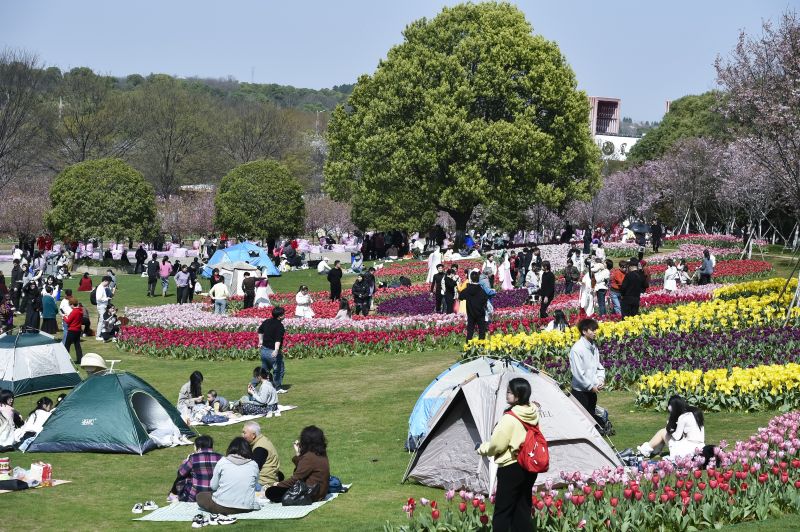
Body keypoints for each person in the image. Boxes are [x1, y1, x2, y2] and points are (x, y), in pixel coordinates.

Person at [477, 378, 540, 531]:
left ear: (518, 395)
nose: (507, 394)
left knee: (502, 512)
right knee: (522, 509)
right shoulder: (532, 413)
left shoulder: (510, 418)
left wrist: (481, 448)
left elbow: (496, 445)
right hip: (529, 466)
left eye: (510, 392)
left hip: (512, 467)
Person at [195, 437, 260, 516]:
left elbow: (213, 486)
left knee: (200, 496)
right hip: (246, 507)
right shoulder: (253, 464)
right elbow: (254, 484)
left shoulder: (223, 462)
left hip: (222, 506)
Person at [265, 426, 330, 503]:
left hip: (311, 493)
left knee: (270, 491)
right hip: (321, 491)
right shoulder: (321, 452)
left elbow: (296, 479)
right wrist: (298, 454)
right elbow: (302, 469)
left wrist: (278, 484)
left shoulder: (309, 457)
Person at [637, 395, 705, 460]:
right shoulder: (696, 412)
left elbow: (677, 437)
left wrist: (669, 427)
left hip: (688, 450)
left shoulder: (683, 417)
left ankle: (644, 451)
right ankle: (654, 451)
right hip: (701, 448)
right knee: (664, 432)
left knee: (663, 432)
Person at [569, 319, 605, 425]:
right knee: (582, 421)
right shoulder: (577, 349)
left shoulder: (593, 346)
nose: (595, 332)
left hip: (592, 390)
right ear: (584, 332)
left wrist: (600, 379)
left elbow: (598, 366)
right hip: (580, 392)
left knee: (591, 416)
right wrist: (590, 386)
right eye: (592, 330)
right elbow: (578, 373)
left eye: (596, 330)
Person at [168, 435, 223, 503]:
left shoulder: (194, 458)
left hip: (195, 497)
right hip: (216, 495)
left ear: (198, 447)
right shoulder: (221, 457)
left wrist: (185, 461)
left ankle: (174, 495)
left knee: (183, 478)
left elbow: (181, 473)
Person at [241, 421, 282, 490]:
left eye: (244, 433)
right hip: (268, 480)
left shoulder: (260, 448)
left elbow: (252, 470)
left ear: (253, 435)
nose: (242, 435)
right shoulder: (262, 440)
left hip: (262, 484)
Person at [257, 307, 287, 393]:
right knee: (279, 369)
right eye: (283, 314)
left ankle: (260, 385)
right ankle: (277, 387)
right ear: (280, 316)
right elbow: (278, 339)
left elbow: (260, 330)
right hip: (272, 351)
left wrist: (260, 341)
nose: (285, 315)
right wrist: (276, 350)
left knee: (265, 370)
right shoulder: (279, 326)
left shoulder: (267, 321)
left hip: (264, 350)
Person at [460, 271, 490, 341]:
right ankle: (481, 345)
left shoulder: (467, 289)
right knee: (482, 330)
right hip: (480, 312)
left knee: (470, 330)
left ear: (470, 278)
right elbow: (485, 300)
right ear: (478, 278)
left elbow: (461, 296)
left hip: (470, 312)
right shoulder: (481, 290)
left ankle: (468, 345)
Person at [94, 276, 114, 341]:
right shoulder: (100, 288)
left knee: (103, 320)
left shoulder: (102, 287)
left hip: (103, 306)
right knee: (102, 320)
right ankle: (98, 335)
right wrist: (106, 299)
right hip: (101, 306)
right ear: (105, 281)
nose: (108, 284)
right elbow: (98, 298)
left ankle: (101, 334)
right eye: (108, 282)